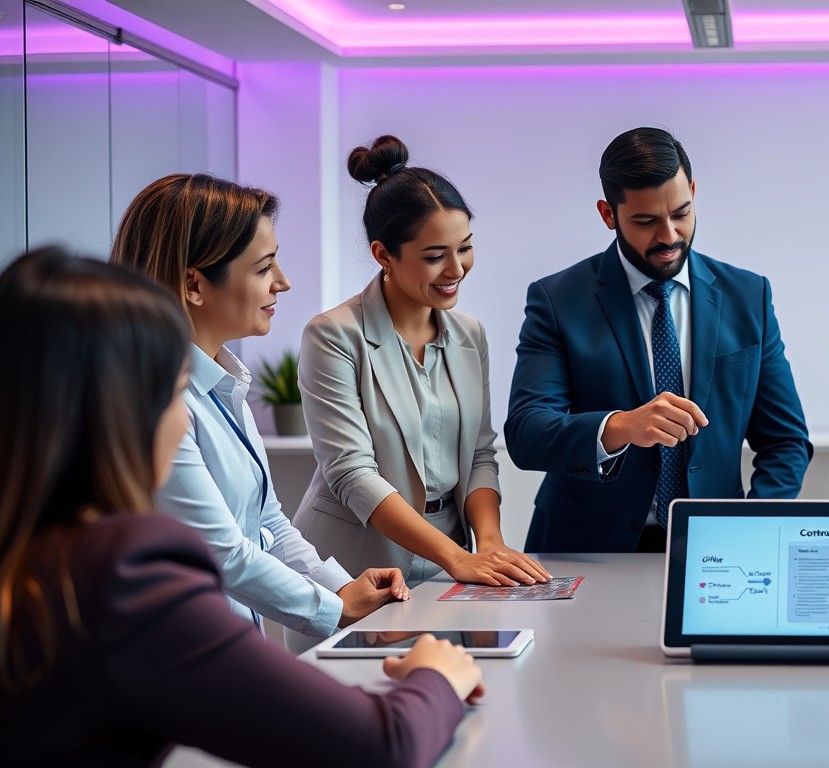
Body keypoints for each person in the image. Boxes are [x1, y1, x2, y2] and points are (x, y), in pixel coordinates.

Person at [0, 248, 484, 767]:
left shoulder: (33, 558)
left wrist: (337, 593)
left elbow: (267, 520)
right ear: (124, 408)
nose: (185, 420)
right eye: (176, 389)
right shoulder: (122, 574)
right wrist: (437, 675)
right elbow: (381, 745)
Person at [111, 174, 405, 639]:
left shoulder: (223, 384)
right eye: (264, 268)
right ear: (194, 283)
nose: (283, 283)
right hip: (182, 651)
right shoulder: (154, 401)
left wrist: (342, 586)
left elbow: (266, 523)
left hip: (230, 643)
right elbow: (220, 554)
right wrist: (336, 608)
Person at [505, 126, 812, 553]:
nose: (668, 236)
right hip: (586, 548)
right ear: (608, 214)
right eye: (646, 221)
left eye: (681, 213)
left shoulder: (749, 296)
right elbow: (527, 433)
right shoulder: (557, 299)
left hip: (719, 549)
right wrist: (620, 426)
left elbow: (786, 441)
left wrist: (751, 525)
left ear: (692, 190)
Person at [293, 135, 547, 588]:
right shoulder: (332, 335)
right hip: (357, 563)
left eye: (465, 247)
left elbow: (480, 455)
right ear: (383, 255)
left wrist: (487, 542)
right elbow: (351, 473)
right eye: (435, 257)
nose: (456, 270)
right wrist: (456, 558)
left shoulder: (470, 335)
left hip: (451, 557)